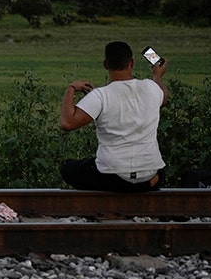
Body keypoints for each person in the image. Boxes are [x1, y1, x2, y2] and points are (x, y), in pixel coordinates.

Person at [59, 41, 168, 192]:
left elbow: (66, 123)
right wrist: (157, 76)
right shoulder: (151, 88)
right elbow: (163, 97)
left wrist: (71, 89)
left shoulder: (100, 96)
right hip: (151, 178)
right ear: (132, 63)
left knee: (68, 168)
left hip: (113, 179)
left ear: (105, 65)